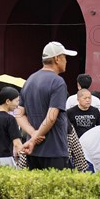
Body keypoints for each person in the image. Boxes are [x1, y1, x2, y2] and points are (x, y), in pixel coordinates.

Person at [18, 41, 77, 170]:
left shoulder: (29, 80)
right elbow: (51, 116)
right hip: (54, 150)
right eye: (64, 57)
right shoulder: (58, 82)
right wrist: (34, 138)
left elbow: (19, 114)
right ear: (57, 59)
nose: (66, 61)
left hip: (33, 152)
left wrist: (33, 134)